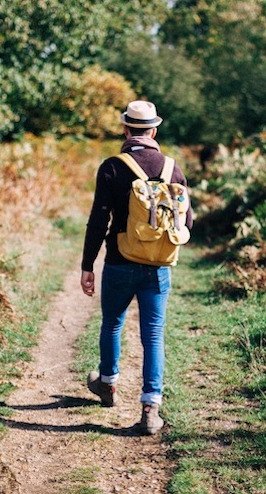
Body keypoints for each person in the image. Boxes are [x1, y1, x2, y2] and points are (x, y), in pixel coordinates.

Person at [80, 100, 193, 435]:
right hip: (158, 266)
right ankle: (150, 407)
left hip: (119, 260)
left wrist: (88, 265)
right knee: (153, 334)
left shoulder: (112, 166)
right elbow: (186, 219)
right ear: (154, 131)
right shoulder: (173, 168)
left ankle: (107, 385)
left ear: (126, 129)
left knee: (112, 323)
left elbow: (98, 220)